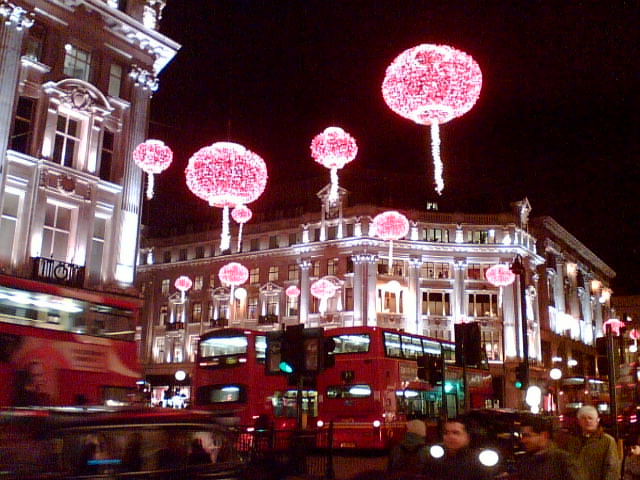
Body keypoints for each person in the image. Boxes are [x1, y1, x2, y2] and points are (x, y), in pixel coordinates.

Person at [423, 417, 493, 480]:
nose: (450, 436)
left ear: (468, 436)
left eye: (456, 433)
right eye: (446, 433)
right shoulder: (436, 458)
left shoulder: (479, 461)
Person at [515, 415, 579, 480]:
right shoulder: (525, 462)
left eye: (528, 436)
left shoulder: (562, 460)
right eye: (522, 436)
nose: (523, 440)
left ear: (544, 435)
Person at [565, 405, 621, 480]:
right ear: (579, 421)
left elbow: (612, 470)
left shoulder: (607, 441)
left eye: (590, 418)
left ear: (597, 420)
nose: (587, 421)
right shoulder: (572, 441)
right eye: (584, 418)